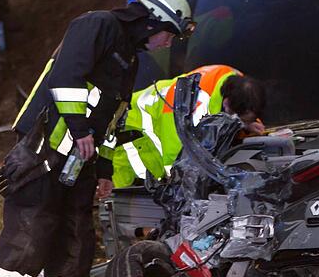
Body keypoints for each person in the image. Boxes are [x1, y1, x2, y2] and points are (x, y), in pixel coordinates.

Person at [0, 0, 195, 277]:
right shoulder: (96, 25)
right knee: (32, 223)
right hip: (46, 145)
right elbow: (65, 78)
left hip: (82, 157)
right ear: (152, 22)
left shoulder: (129, 57)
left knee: (76, 231)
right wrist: (79, 130)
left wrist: (105, 171)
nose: (168, 44)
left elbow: (114, 118)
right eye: (169, 35)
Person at [110, 65, 266, 188]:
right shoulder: (194, 107)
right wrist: (176, 182)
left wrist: (247, 124)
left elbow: (242, 106)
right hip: (132, 130)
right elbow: (174, 150)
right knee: (137, 198)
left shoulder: (236, 81)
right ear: (226, 104)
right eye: (239, 118)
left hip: (160, 123)